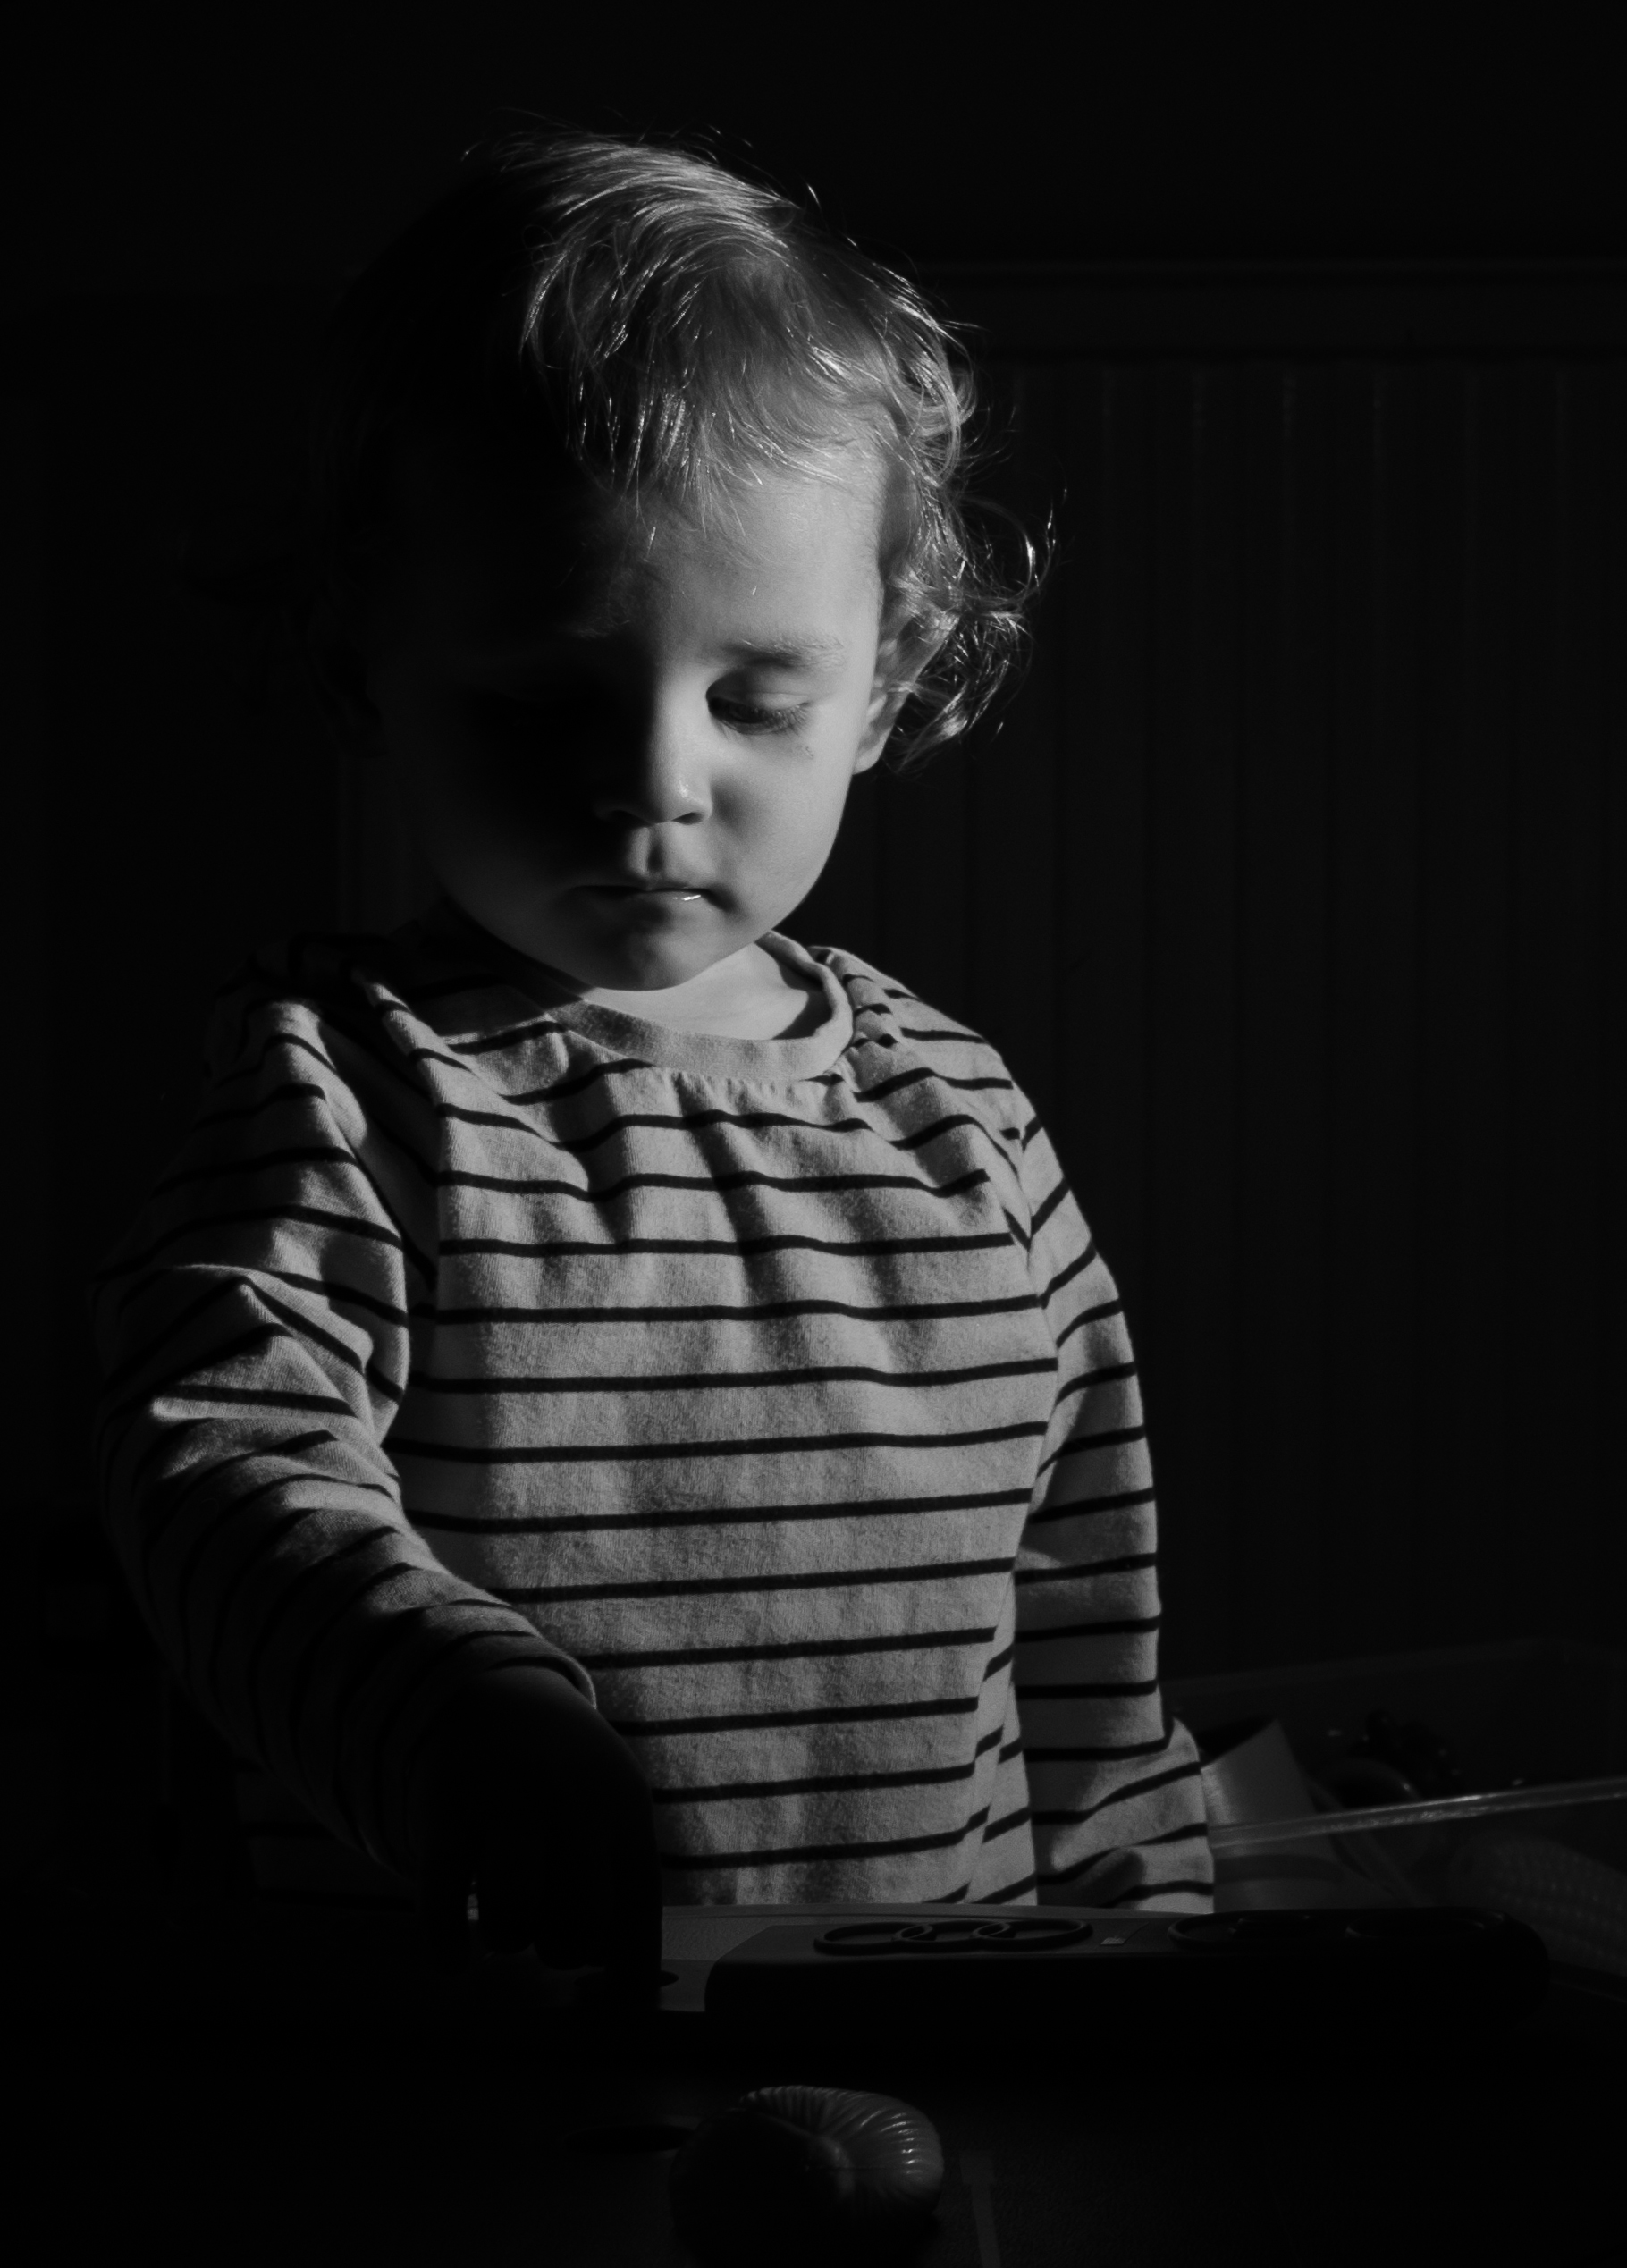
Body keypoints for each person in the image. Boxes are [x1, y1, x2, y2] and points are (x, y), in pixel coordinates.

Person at [90, 132, 1213, 1990]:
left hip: (943, 2042)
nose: (659, 781)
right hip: (485, 2081)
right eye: (546, 695)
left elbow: (1088, 1614)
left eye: (758, 696)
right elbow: (217, 1466)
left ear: (890, 672)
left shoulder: (963, 1117)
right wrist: (453, 1714)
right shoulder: (346, 1092)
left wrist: (1150, 1938)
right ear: (364, 667)